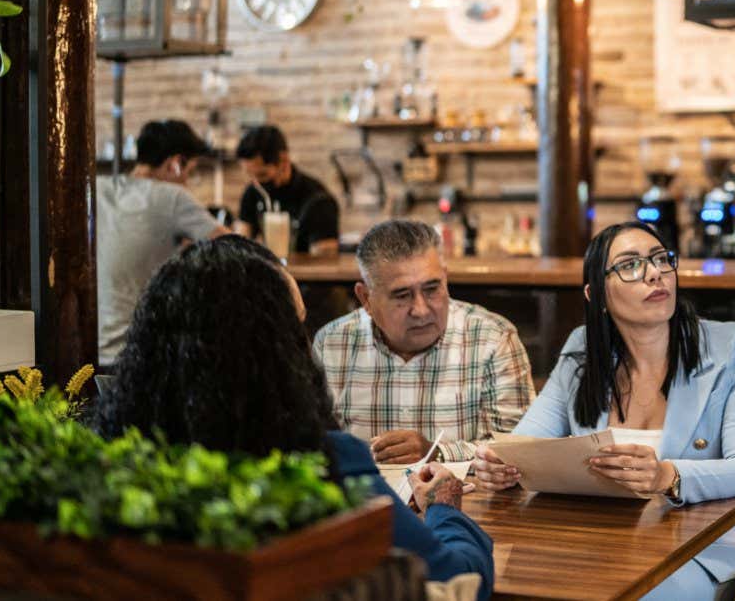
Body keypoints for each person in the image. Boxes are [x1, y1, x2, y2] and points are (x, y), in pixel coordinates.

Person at [95, 236, 494, 595]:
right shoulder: (324, 464)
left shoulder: (118, 468)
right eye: (295, 328)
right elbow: (458, 579)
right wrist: (444, 506)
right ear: (271, 352)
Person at [469, 222, 735, 601]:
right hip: (603, 540)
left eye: (661, 259)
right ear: (595, 294)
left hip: (699, 547)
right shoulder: (583, 349)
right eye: (629, 265)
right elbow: (527, 444)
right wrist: (500, 464)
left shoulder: (731, 346)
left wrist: (666, 475)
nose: (654, 273)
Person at [313, 219, 535, 464]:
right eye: (402, 295)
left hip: (467, 501)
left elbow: (518, 451)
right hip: (366, 498)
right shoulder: (332, 344)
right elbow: (314, 447)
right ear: (365, 298)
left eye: (432, 289)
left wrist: (437, 453)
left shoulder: (492, 339)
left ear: (445, 279)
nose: (420, 310)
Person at [96, 119, 230, 370]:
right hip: (140, 354)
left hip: (88, 353)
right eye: (189, 172)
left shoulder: (98, 188)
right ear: (175, 164)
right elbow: (235, 248)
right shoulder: (173, 196)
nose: (187, 182)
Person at [233, 125, 340, 256]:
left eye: (262, 175)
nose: (256, 182)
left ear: (284, 160)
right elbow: (239, 244)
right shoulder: (253, 192)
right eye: (250, 175)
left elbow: (323, 261)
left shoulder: (318, 200)